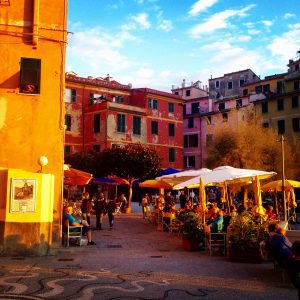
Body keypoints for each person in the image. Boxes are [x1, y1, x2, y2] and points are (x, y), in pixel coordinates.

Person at [266, 223, 300, 288]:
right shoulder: (281, 238)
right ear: (276, 229)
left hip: (281, 261)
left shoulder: (268, 240)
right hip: (291, 261)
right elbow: (293, 248)